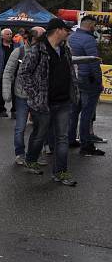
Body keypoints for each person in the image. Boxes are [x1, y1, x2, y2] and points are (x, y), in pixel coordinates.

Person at [18, 18, 79, 186]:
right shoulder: (37, 49)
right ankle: (30, 159)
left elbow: (70, 73)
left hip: (63, 102)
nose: (68, 32)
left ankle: (60, 172)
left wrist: (74, 92)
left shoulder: (65, 50)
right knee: (40, 134)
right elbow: (23, 74)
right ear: (58, 30)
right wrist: (35, 94)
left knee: (62, 138)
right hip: (43, 103)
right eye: (66, 29)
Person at [2, 27, 46, 166]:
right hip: (21, 96)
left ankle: (34, 155)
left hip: (38, 96)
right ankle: (20, 153)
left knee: (40, 127)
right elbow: (8, 72)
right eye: (40, 38)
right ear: (31, 38)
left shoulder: (44, 52)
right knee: (20, 127)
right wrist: (6, 93)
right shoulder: (19, 51)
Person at [68, 16, 105, 156]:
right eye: (94, 26)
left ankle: (71, 139)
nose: (94, 28)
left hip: (75, 78)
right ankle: (86, 144)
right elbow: (94, 62)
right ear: (90, 26)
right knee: (87, 113)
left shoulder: (71, 37)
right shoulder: (89, 40)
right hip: (88, 80)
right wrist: (99, 82)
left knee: (74, 111)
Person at [0, 28, 15, 117]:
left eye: (10, 34)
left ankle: (14, 111)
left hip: (14, 73)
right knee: (1, 92)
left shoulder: (16, 46)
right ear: (2, 36)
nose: (9, 35)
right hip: (2, 73)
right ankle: (2, 110)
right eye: (7, 34)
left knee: (15, 92)